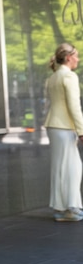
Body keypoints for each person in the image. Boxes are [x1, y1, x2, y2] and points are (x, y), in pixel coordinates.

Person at [44, 43, 83, 222]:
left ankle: (62, 209)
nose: (78, 59)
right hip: (64, 127)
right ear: (68, 58)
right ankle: (70, 209)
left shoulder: (53, 77)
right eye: (76, 56)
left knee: (61, 168)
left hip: (55, 126)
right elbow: (74, 106)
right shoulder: (69, 76)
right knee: (72, 169)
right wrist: (81, 130)